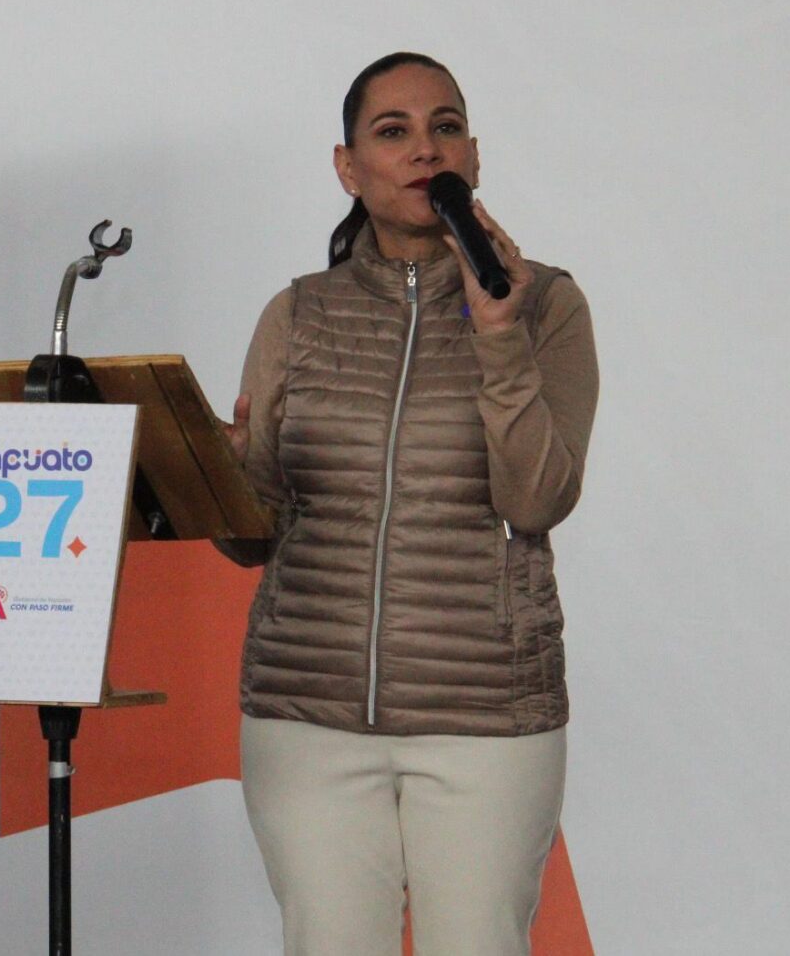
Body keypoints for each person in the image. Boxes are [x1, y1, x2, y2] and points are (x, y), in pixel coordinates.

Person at [219, 52, 599, 956]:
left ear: (475, 155)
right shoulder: (298, 313)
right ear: (348, 168)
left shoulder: (546, 305)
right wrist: (220, 469)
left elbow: (537, 499)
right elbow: (255, 536)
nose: (426, 149)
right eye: (393, 132)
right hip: (307, 715)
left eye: (446, 127)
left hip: (486, 719)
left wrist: (497, 335)